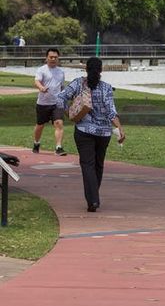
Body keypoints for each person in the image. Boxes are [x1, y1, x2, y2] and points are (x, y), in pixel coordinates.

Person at [55, 57, 125, 212]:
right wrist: (120, 128)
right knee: (98, 165)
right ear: (101, 70)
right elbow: (111, 112)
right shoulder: (107, 88)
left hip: (83, 131)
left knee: (87, 165)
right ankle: (93, 197)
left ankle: (93, 200)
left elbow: (60, 98)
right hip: (104, 133)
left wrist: (70, 113)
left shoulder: (78, 84)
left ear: (86, 69)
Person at [33, 48, 67, 155]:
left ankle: (58, 147)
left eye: (55, 57)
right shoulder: (41, 70)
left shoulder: (61, 72)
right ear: (46, 58)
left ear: (58, 58)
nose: (53, 59)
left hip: (57, 103)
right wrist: (41, 88)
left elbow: (62, 87)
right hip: (43, 103)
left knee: (59, 123)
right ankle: (36, 143)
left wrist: (65, 97)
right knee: (40, 125)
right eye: (51, 57)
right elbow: (37, 81)